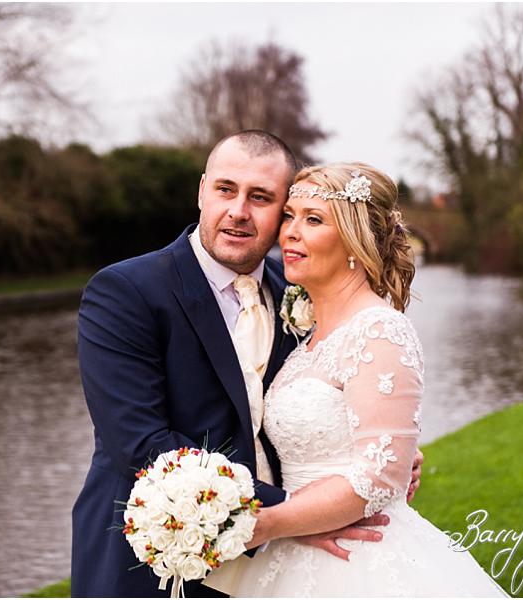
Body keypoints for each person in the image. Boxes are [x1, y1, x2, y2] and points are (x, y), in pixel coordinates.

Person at [70, 132, 423, 597]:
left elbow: (337, 394)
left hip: (281, 564)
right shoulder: (126, 292)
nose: (238, 210)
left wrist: (381, 452)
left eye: (261, 197)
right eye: (225, 189)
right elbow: (141, 443)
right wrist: (292, 514)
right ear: (201, 191)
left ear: (282, 211)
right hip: (157, 561)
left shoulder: (298, 288)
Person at [202, 163, 507, 597]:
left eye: (313, 219)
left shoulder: (380, 330)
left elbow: (379, 474)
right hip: (295, 545)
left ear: (353, 239)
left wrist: (264, 524)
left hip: (358, 559)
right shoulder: (307, 335)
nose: (289, 232)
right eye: (289, 215)